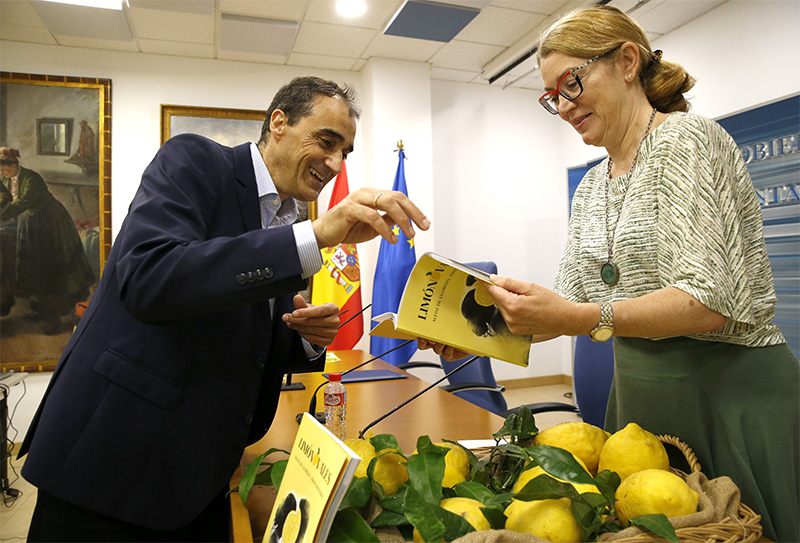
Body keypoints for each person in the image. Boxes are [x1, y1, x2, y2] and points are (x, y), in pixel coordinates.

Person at [420, 7, 799, 541]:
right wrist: (483, 333)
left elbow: (707, 304)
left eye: (571, 83)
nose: (564, 107)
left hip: (731, 397)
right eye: (552, 97)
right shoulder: (593, 185)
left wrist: (579, 314)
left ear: (626, 61)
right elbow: (570, 305)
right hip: (642, 403)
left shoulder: (688, 142)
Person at [18, 76, 430, 542]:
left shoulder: (288, 220)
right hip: (114, 462)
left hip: (200, 472)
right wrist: (315, 238)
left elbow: (243, 336)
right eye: (326, 141)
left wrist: (303, 337)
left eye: (345, 152)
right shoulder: (193, 160)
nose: (335, 163)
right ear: (279, 123)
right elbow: (149, 279)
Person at [0, 147, 95, 332]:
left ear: (13, 165)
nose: (2, 173)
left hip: (49, 222)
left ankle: (54, 317)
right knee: (33, 266)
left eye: (4, 169)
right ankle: (40, 310)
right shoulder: (6, 178)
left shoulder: (32, 178)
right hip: (29, 221)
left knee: (50, 268)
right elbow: (6, 198)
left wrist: (2, 214)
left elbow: (23, 202)